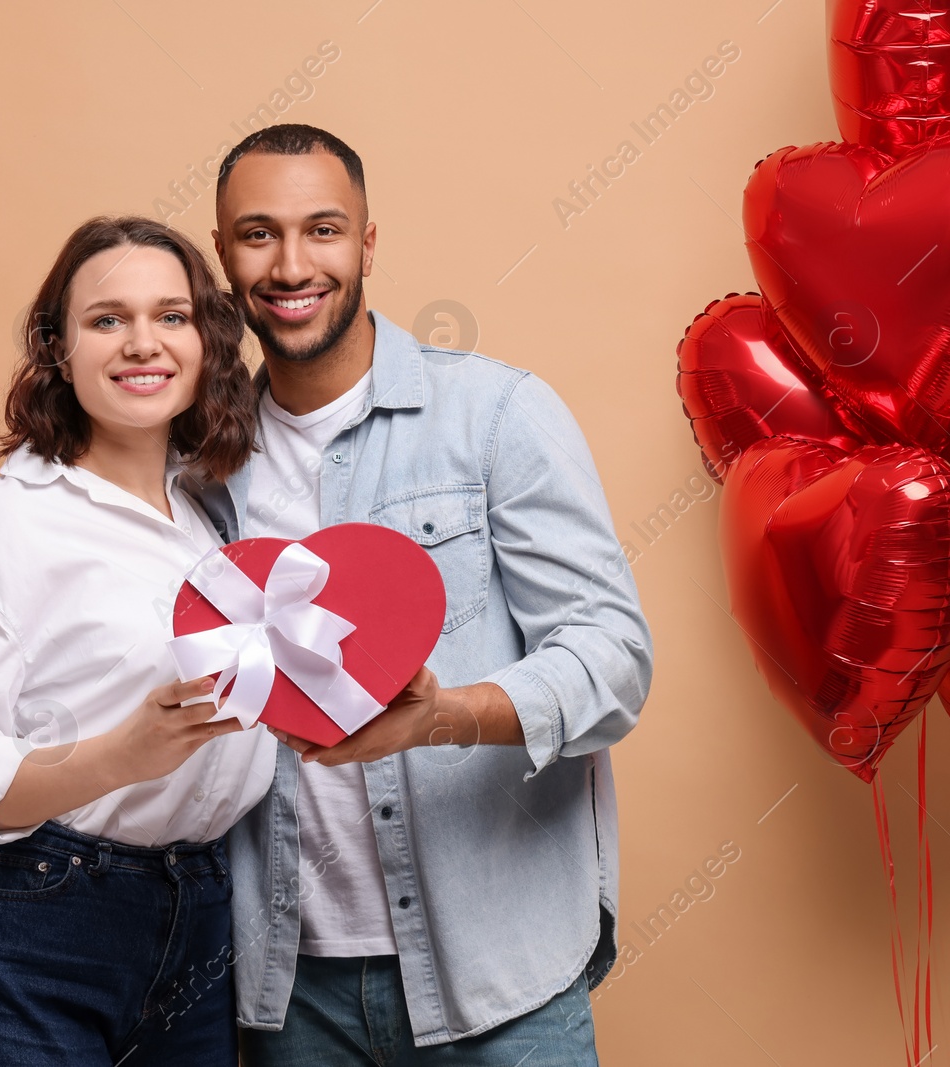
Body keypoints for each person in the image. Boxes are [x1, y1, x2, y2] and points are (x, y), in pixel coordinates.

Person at [194, 125, 653, 1065]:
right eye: (257, 234)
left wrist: (445, 715)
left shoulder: (496, 415)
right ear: (222, 256)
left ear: (367, 243)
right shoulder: (196, 468)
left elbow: (614, 661)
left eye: (323, 230)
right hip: (290, 987)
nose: (291, 264)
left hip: (498, 974)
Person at [0, 215, 278, 1066]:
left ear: (207, 340)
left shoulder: (216, 520)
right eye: (108, 320)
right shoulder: (3, 523)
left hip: (204, 919)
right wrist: (119, 755)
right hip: (35, 921)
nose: (144, 343)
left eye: (171, 316)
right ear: (59, 350)